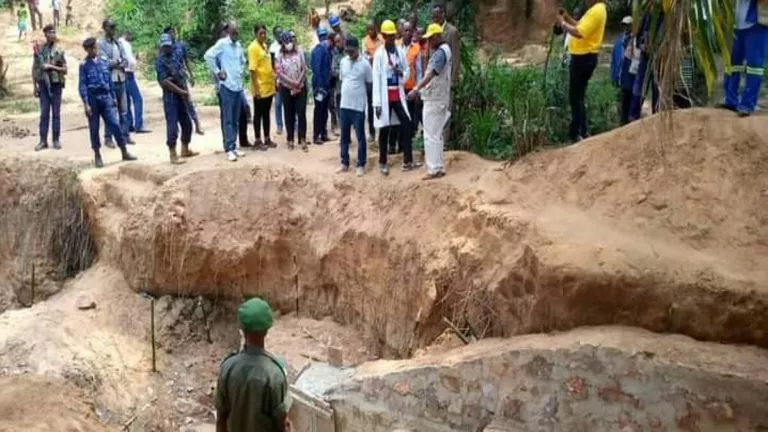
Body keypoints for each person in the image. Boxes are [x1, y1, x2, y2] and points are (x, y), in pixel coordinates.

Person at [215, 298, 292, 432]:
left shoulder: (227, 368)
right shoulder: (274, 374)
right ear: (267, 330)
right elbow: (282, 424)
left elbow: (221, 419)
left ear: (242, 329)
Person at [78, 37, 137, 168]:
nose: (94, 50)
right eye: (91, 49)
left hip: (105, 97)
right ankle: (97, 155)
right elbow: (82, 85)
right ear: (87, 50)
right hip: (93, 99)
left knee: (114, 124)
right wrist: (86, 103)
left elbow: (109, 81)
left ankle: (124, 151)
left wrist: (113, 97)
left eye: (95, 48)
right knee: (94, 128)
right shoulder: (84, 66)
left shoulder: (103, 62)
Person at [556, 0, 607, 143]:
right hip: (584, 57)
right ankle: (582, 131)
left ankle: (576, 133)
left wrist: (563, 23)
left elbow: (579, 32)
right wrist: (567, 17)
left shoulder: (596, 11)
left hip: (583, 58)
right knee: (579, 96)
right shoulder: (595, 10)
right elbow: (579, 25)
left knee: (575, 97)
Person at [408, 23, 451, 180]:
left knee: (431, 134)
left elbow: (430, 75)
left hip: (435, 98)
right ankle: (438, 166)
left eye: (430, 39)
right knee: (437, 134)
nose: (428, 42)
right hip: (439, 97)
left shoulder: (440, 54)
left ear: (437, 37)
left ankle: (433, 169)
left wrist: (416, 89)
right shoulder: (445, 50)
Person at [372, 19, 413, 175]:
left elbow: (407, 71)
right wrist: (377, 104)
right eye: (388, 36)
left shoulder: (399, 51)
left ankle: (408, 160)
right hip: (384, 96)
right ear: (383, 36)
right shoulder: (379, 55)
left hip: (397, 93)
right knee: (384, 129)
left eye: (393, 36)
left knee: (407, 124)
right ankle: (383, 162)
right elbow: (376, 80)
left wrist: (400, 73)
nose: (391, 39)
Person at [205, 21, 247, 162]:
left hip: (237, 86)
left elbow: (242, 61)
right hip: (227, 86)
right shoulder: (222, 44)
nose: (235, 33)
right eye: (233, 31)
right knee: (228, 119)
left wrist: (240, 72)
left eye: (237, 31)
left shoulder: (239, 46)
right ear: (229, 31)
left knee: (235, 118)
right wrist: (218, 72)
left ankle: (234, 146)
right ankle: (229, 148)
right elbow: (208, 56)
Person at [719, 0, 768, 117]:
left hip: (757, 23)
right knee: (732, 65)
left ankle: (747, 104)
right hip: (735, 24)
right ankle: (731, 101)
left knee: (754, 66)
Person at [156, 33, 198, 165]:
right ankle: (172, 154)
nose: (167, 48)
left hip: (181, 95)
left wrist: (183, 88)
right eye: (165, 46)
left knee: (187, 123)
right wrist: (180, 90)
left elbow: (180, 73)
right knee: (172, 126)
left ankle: (184, 149)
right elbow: (164, 82)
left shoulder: (176, 56)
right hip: (171, 97)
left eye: (169, 46)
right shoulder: (160, 61)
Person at [337, 36, 372, 176]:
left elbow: (369, 83)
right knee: (344, 136)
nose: (349, 54)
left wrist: (366, 103)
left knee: (360, 136)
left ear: (357, 49)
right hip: (344, 104)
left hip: (358, 106)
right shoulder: (343, 62)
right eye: (347, 51)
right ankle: (344, 162)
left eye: (351, 51)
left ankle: (361, 164)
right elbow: (342, 79)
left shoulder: (365, 64)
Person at [99, 19, 133, 147]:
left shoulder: (118, 43)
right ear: (105, 28)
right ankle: (108, 138)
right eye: (110, 27)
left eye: (113, 27)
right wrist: (118, 62)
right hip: (110, 80)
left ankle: (125, 136)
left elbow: (125, 60)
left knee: (124, 110)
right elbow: (104, 63)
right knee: (111, 111)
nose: (112, 30)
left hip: (121, 78)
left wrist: (118, 62)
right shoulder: (101, 44)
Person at [165, 26, 204, 135]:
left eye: (173, 32)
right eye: (170, 33)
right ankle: (176, 127)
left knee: (188, 101)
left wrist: (191, 75)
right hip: (171, 81)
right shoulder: (165, 47)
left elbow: (186, 61)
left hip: (181, 79)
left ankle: (197, 124)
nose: (172, 34)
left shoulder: (180, 46)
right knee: (174, 105)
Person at [33, 25, 67, 151]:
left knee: (56, 113)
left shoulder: (59, 50)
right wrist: (34, 86)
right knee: (44, 113)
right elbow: (35, 68)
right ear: (45, 35)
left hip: (56, 84)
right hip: (43, 83)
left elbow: (65, 69)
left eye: (54, 32)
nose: (53, 34)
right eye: (50, 32)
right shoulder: (40, 50)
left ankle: (56, 139)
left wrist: (52, 67)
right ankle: (43, 141)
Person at [275, 30, 308, 151]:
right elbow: (279, 73)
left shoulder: (299, 52)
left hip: (300, 87)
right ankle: (290, 139)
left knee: (301, 113)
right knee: (288, 114)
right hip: (286, 88)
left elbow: (304, 68)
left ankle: (303, 139)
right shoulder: (280, 56)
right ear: (282, 43)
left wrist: (298, 81)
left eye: (290, 41)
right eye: (286, 42)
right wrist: (291, 83)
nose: (289, 44)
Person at [248, 23, 277, 150]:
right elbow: (253, 70)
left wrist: (274, 85)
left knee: (266, 114)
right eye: (261, 33)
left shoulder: (265, 46)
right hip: (259, 88)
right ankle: (258, 140)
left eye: (264, 33)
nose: (263, 35)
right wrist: (256, 90)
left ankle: (267, 138)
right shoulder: (253, 48)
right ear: (255, 34)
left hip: (268, 87)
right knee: (258, 114)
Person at [121, 31, 150, 134]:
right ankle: (139, 125)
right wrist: (136, 60)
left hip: (120, 74)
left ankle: (129, 124)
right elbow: (131, 61)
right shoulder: (126, 44)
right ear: (127, 34)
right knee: (138, 99)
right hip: (128, 73)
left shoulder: (117, 43)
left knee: (127, 101)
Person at [311, 27, 332, 144]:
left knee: (324, 110)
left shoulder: (326, 49)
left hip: (326, 85)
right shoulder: (319, 50)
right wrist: (319, 87)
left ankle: (323, 133)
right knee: (319, 109)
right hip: (320, 86)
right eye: (322, 36)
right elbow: (317, 70)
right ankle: (316, 135)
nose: (323, 38)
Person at [611, 16, 634, 125]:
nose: (626, 27)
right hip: (619, 75)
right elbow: (614, 60)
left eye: (628, 25)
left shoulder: (634, 40)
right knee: (620, 101)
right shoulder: (619, 41)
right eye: (624, 25)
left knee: (628, 100)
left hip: (629, 76)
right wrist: (613, 75)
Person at [402, 21, 423, 138]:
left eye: (410, 30)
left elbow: (419, 71)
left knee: (411, 115)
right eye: (406, 30)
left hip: (411, 89)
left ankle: (409, 141)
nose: (408, 33)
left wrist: (417, 89)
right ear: (401, 32)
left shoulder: (416, 49)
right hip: (399, 88)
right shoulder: (396, 47)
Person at [430, 4, 459, 85]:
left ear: (443, 14)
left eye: (437, 17)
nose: (435, 20)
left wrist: (453, 80)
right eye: (433, 17)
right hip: (433, 77)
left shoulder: (452, 32)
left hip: (447, 77)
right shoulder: (431, 30)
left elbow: (455, 57)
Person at [362, 20, 379, 142]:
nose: (370, 32)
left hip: (380, 76)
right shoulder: (365, 41)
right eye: (368, 30)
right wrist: (371, 58)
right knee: (371, 104)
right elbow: (365, 56)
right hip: (370, 78)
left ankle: (383, 131)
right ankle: (372, 132)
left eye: (372, 29)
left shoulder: (382, 39)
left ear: (376, 28)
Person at [269, 26, 285, 135]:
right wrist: (274, 80)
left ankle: (294, 124)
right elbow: (271, 64)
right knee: (278, 103)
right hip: (278, 78)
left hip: (288, 78)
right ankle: (279, 125)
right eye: (278, 33)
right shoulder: (273, 47)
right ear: (274, 35)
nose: (280, 35)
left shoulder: (287, 43)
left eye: (281, 32)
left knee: (290, 103)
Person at [330, 32, 345, 136]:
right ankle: (344, 133)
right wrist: (344, 72)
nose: (337, 44)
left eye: (339, 41)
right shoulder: (335, 56)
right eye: (335, 42)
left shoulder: (350, 53)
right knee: (340, 111)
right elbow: (333, 71)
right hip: (339, 89)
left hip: (350, 90)